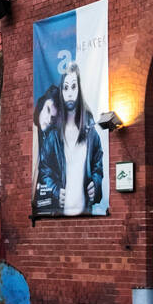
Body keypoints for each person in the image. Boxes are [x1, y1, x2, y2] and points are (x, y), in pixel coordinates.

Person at [55, 62, 104, 216]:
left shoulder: (91, 132)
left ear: (79, 89)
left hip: (86, 212)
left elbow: (98, 167)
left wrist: (95, 185)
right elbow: (45, 170)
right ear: (61, 91)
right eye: (66, 87)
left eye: (74, 86)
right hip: (58, 215)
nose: (69, 92)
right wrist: (55, 191)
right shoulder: (54, 134)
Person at [32, 85, 62, 215]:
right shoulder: (32, 133)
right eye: (47, 110)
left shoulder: (53, 139)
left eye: (54, 117)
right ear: (40, 107)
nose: (49, 119)